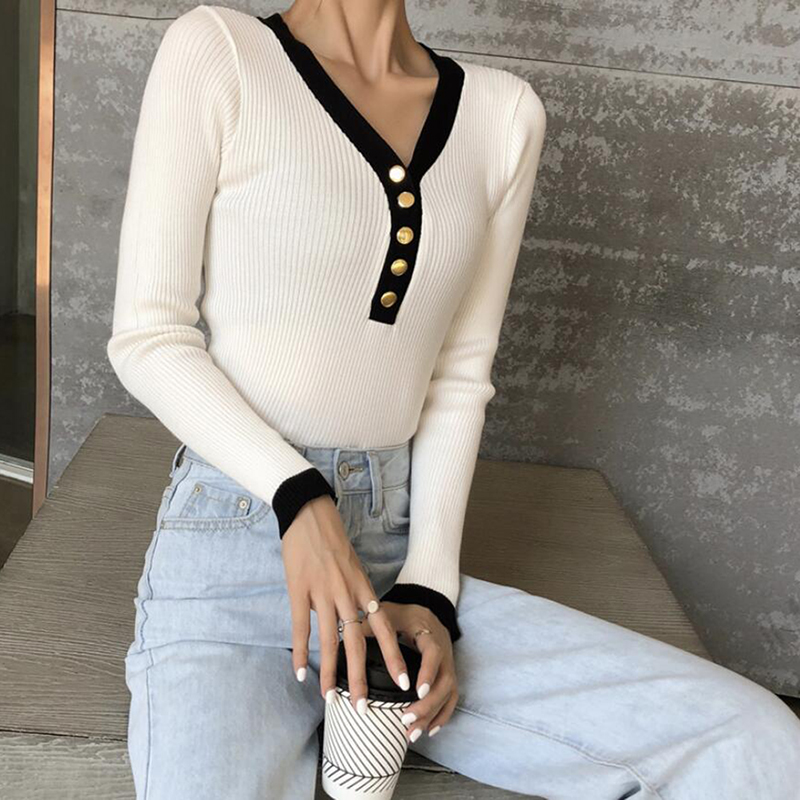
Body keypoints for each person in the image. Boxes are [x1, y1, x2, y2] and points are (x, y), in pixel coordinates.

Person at [107, 3, 800, 799]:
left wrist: (430, 587)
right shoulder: (220, 51)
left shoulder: (502, 116)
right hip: (232, 553)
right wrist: (300, 496)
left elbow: (459, 376)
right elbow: (149, 337)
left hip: (395, 560)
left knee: (754, 742)